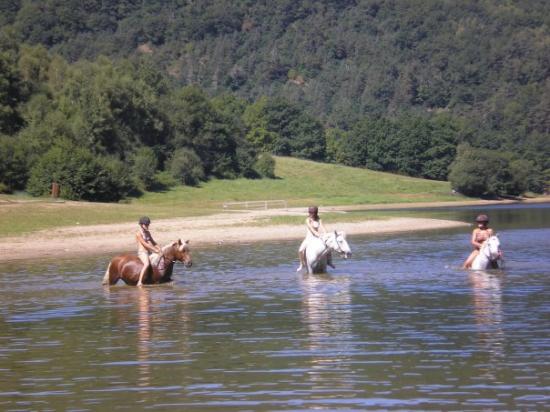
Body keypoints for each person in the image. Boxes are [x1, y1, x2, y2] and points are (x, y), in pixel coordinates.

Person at [297, 206, 334, 272]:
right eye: (311, 212)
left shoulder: (318, 219)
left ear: (316, 212)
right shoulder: (308, 220)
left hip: (317, 237)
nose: (312, 214)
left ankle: (329, 262)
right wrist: (318, 234)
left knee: (329, 246)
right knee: (300, 250)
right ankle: (302, 264)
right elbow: (311, 229)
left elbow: (322, 227)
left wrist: (326, 234)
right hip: (309, 238)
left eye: (313, 212)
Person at [136, 216, 162, 287]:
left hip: (149, 252)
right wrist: (154, 249)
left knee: (160, 259)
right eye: (146, 224)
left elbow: (153, 242)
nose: (148, 226)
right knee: (147, 264)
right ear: (141, 225)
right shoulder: (138, 234)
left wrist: (160, 249)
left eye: (148, 224)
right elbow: (145, 244)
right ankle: (139, 281)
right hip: (142, 253)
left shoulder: (148, 233)